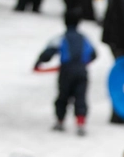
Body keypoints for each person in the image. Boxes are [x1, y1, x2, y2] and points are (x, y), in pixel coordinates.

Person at [36, 7, 97, 136]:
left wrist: (38, 63)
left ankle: (60, 120)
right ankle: (81, 122)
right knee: (80, 96)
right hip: (82, 71)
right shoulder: (84, 38)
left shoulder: (61, 38)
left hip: (66, 71)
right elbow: (94, 54)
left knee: (63, 96)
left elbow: (48, 52)